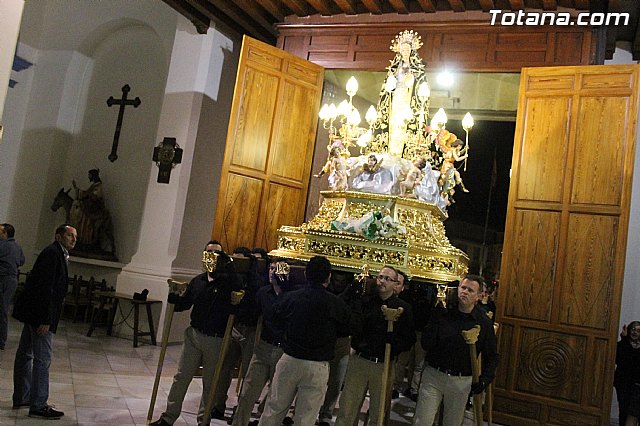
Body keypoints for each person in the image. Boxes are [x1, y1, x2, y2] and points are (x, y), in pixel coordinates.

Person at [150, 241, 241, 426]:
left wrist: (228, 264)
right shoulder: (198, 281)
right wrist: (175, 300)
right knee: (181, 377)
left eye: (217, 254)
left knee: (210, 383)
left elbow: (238, 286)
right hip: (194, 335)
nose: (212, 257)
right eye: (209, 252)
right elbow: (186, 303)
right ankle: (169, 417)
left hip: (215, 339)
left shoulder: (227, 283)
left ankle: (203, 420)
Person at [258, 256, 351, 426]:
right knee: (306, 418)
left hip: (290, 359)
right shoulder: (336, 304)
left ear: (306, 274)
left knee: (274, 410)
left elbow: (275, 319)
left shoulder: (292, 297)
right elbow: (346, 329)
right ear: (328, 277)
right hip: (317, 365)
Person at [412, 274, 499, 426]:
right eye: (463, 288)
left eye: (470, 290)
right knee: (422, 421)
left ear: (478, 296)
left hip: (461, 381)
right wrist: (434, 320)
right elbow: (426, 344)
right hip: (434, 375)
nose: (464, 292)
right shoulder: (444, 312)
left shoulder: (483, 322)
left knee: (452, 423)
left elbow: (492, 356)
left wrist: (484, 381)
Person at [335, 265, 415, 426]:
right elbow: (346, 315)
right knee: (348, 407)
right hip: (360, 360)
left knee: (378, 412)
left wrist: (394, 342)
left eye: (387, 279)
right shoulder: (366, 301)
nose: (382, 282)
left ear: (395, 284)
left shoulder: (403, 308)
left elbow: (409, 339)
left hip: (384, 364)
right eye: (380, 277)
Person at [12, 224, 77, 419]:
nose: (74, 239)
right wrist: (45, 319)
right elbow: (44, 288)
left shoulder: (57, 253)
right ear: (58, 236)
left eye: (75, 236)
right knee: (42, 358)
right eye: (70, 235)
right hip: (39, 314)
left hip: (34, 312)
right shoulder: (52, 253)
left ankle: (22, 396)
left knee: (25, 354)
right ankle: (38, 404)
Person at [232, 260, 293, 426]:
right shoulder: (263, 293)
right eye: (271, 268)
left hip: (283, 350)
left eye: (278, 269)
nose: (273, 272)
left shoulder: (293, 295)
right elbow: (252, 315)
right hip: (264, 347)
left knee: (276, 397)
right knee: (248, 392)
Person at [0, 223, 25, 350]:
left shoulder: (3, 245)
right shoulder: (18, 247)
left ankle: (1, 340)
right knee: (3, 309)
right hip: (12, 280)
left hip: (3, 279)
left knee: (2, 310)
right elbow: (21, 261)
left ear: (5, 234)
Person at [614, 321, 640, 425]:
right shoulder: (621, 345)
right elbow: (620, 359)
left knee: (635, 413)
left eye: (638, 330)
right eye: (633, 329)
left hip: (637, 385)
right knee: (624, 410)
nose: (635, 332)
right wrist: (624, 339)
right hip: (623, 383)